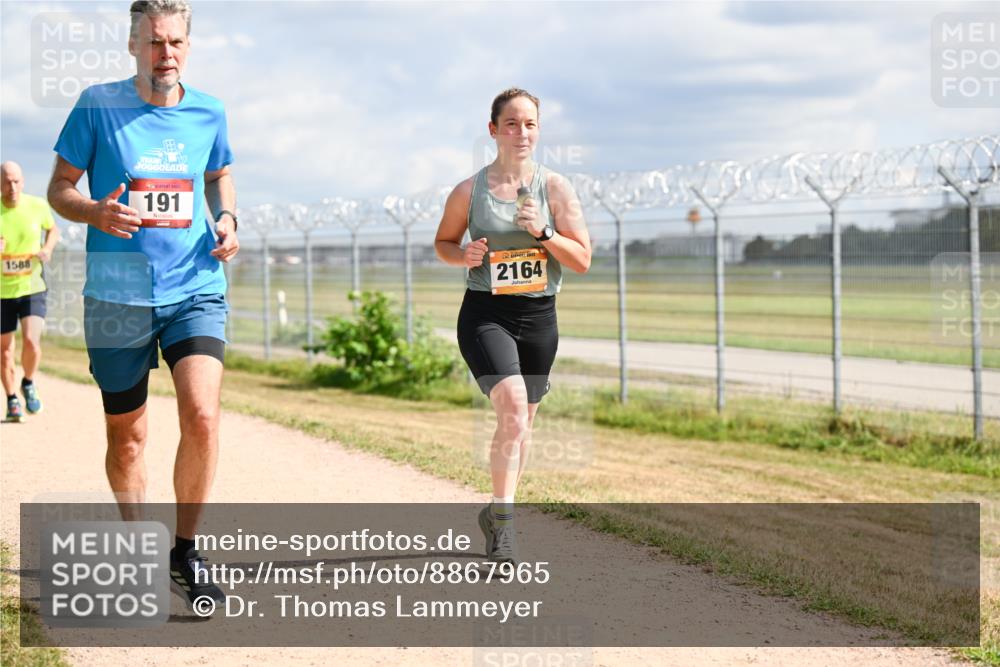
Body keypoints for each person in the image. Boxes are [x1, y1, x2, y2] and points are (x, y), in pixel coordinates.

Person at [47, 0, 238, 612]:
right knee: (127, 437)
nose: (166, 54)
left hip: (195, 285)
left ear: (188, 46)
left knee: (202, 415)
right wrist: (94, 211)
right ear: (133, 45)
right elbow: (59, 189)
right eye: (154, 42)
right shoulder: (96, 106)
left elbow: (218, 174)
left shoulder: (209, 111)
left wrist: (228, 218)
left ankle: (187, 549)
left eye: (175, 42)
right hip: (116, 294)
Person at [434, 88, 591, 563]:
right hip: (486, 313)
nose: (521, 132)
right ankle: (504, 528)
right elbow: (443, 243)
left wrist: (544, 232)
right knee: (514, 411)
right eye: (511, 123)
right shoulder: (468, 191)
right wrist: (463, 255)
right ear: (493, 130)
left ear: (538, 131)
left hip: (539, 317)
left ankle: (498, 509)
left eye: (530, 124)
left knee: (522, 426)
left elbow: (582, 260)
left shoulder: (556, 189)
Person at [1, 161, 61, 422]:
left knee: (31, 342)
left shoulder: (37, 206)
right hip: (2, 292)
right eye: (7, 182)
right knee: (5, 350)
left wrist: (47, 248)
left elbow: (53, 229)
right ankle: (12, 399)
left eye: (16, 181)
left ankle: (28, 381)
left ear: (23, 182)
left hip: (32, 286)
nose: (12, 187)